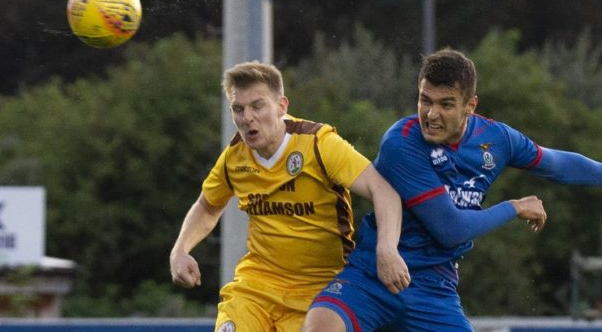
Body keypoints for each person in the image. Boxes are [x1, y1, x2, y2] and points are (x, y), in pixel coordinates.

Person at [302, 48, 602, 331]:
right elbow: (450, 229)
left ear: (470, 106)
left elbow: (556, 164)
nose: (431, 115)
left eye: (445, 104)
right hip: (373, 276)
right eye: (425, 100)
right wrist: (513, 207)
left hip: (434, 289)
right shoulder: (402, 142)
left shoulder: (496, 139)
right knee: (321, 325)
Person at [169, 61, 411, 332]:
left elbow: (384, 191)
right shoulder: (234, 158)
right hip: (256, 287)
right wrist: (180, 250)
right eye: (238, 109)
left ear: (282, 106)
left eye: (257, 106)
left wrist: (387, 248)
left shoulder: (319, 144)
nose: (247, 117)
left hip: (320, 289)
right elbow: (207, 206)